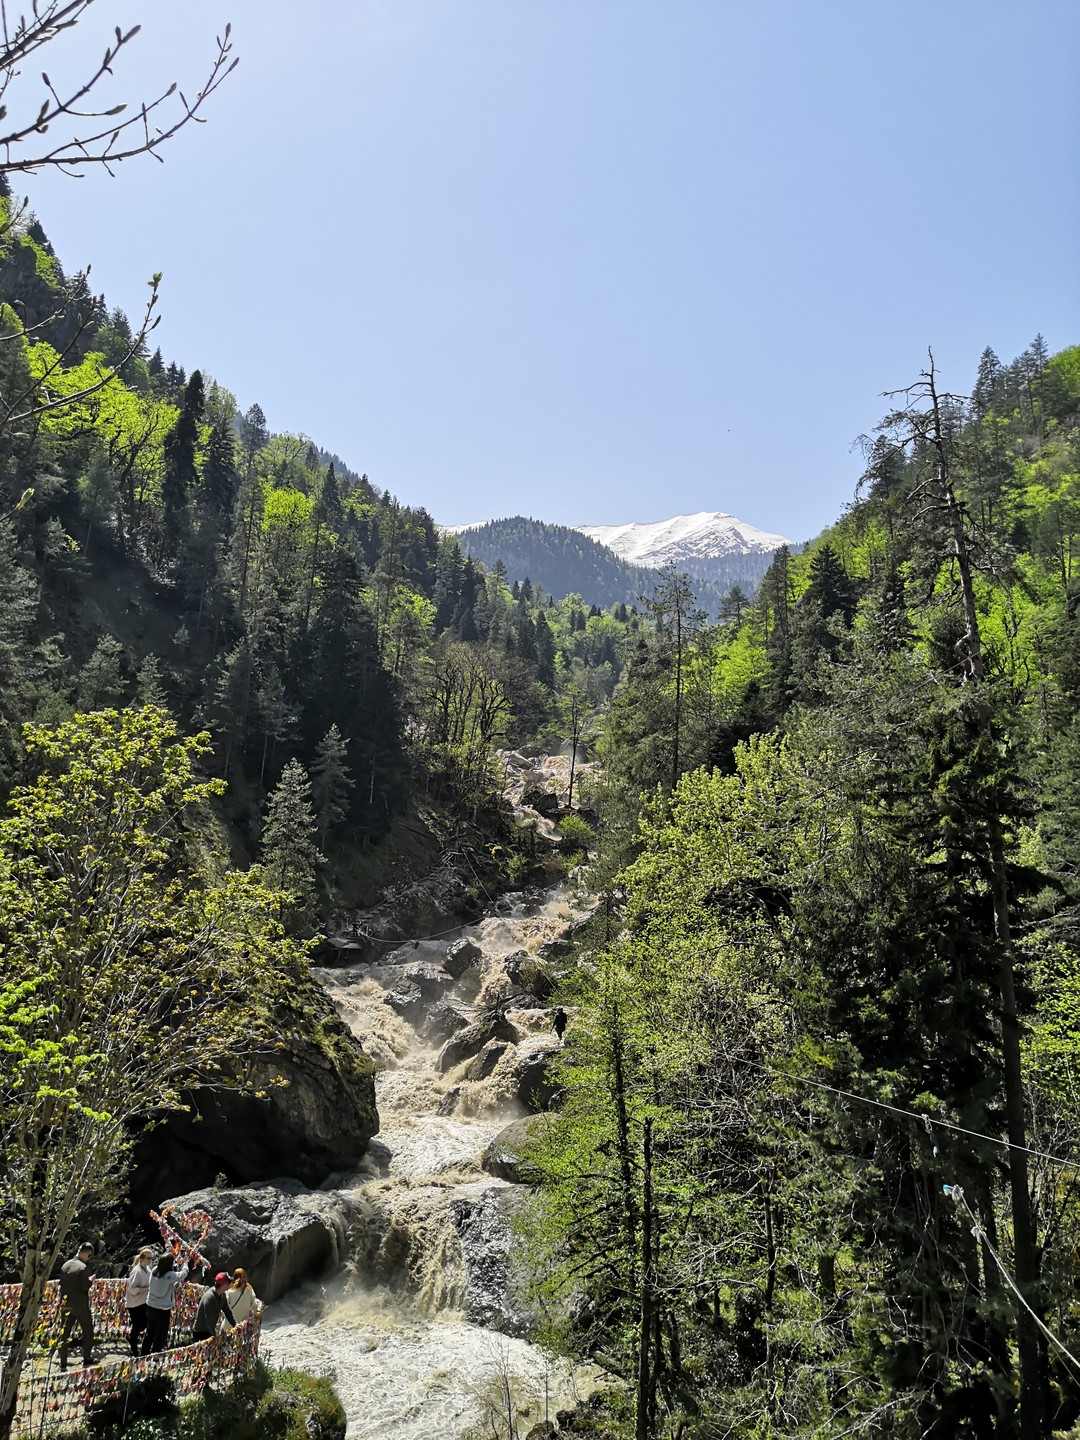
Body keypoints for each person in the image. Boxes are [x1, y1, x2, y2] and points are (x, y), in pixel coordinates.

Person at [142, 1249, 191, 1355]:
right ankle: (156, 1353)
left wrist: (177, 1263)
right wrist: (185, 1263)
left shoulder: (155, 1270)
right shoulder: (169, 1275)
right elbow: (183, 1274)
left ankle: (144, 1352)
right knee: (161, 1332)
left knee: (150, 1330)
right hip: (162, 1309)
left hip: (150, 1305)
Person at [58, 1242, 95, 1371]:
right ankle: (87, 1358)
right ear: (85, 1253)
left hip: (65, 1304)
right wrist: (91, 1281)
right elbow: (84, 1286)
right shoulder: (83, 1268)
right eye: (89, 1256)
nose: (88, 1258)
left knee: (65, 1333)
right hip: (80, 1305)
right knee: (87, 1330)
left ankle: (63, 1362)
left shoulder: (65, 1265)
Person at [124, 1247, 154, 1357]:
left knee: (143, 1324)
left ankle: (132, 1339)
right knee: (138, 1325)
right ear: (142, 1258)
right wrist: (145, 1289)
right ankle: (133, 1347)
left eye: (152, 1258)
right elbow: (131, 1288)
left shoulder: (148, 1269)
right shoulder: (136, 1271)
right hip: (134, 1303)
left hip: (143, 1301)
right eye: (148, 1258)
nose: (150, 1261)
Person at [190, 1273, 235, 1342]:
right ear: (224, 1284)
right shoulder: (209, 1297)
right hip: (201, 1332)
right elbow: (209, 1319)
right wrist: (214, 1336)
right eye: (229, 1282)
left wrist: (235, 1325)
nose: (230, 1284)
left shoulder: (222, 1295)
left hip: (210, 1330)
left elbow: (227, 1311)